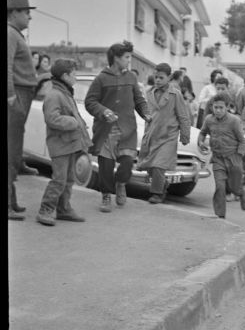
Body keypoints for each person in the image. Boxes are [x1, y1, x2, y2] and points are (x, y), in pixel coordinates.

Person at [85, 40, 151, 213]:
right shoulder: (101, 78)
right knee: (106, 167)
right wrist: (103, 111)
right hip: (107, 131)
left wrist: (146, 113)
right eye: (127, 57)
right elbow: (90, 102)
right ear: (116, 58)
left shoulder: (131, 77)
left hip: (127, 130)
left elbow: (139, 100)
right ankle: (106, 195)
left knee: (127, 163)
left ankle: (121, 183)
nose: (129, 61)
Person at [36, 59, 93, 226]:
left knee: (68, 179)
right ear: (65, 76)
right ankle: (45, 210)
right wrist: (74, 123)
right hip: (60, 144)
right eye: (74, 74)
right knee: (59, 179)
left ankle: (63, 209)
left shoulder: (65, 92)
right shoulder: (55, 95)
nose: (75, 77)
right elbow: (52, 119)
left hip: (69, 143)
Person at [137, 63, 191, 204]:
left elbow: (183, 116)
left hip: (168, 136)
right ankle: (163, 184)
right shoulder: (149, 93)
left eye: (161, 77)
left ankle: (157, 194)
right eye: (156, 77)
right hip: (152, 134)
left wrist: (185, 135)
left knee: (159, 165)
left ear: (169, 77)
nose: (158, 80)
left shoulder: (176, 94)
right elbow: (146, 112)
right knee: (149, 166)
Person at [7, 0, 39, 219]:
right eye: (26, 12)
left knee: (15, 150)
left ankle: (12, 200)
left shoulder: (15, 34)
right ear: (14, 13)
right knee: (11, 151)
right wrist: (10, 96)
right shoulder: (10, 33)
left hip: (23, 94)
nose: (29, 16)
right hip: (17, 94)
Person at [198, 94, 245, 218]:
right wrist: (200, 142)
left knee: (234, 187)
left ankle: (241, 193)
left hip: (233, 158)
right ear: (212, 107)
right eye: (216, 107)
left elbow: (242, 140)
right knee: (220, 187)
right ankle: (220, 215)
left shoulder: (234, 121)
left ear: (227, 107)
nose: (218, 110)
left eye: (221, 108)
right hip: (217, 159)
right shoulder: (209, 120)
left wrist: (239, 155)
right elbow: (203, 132)